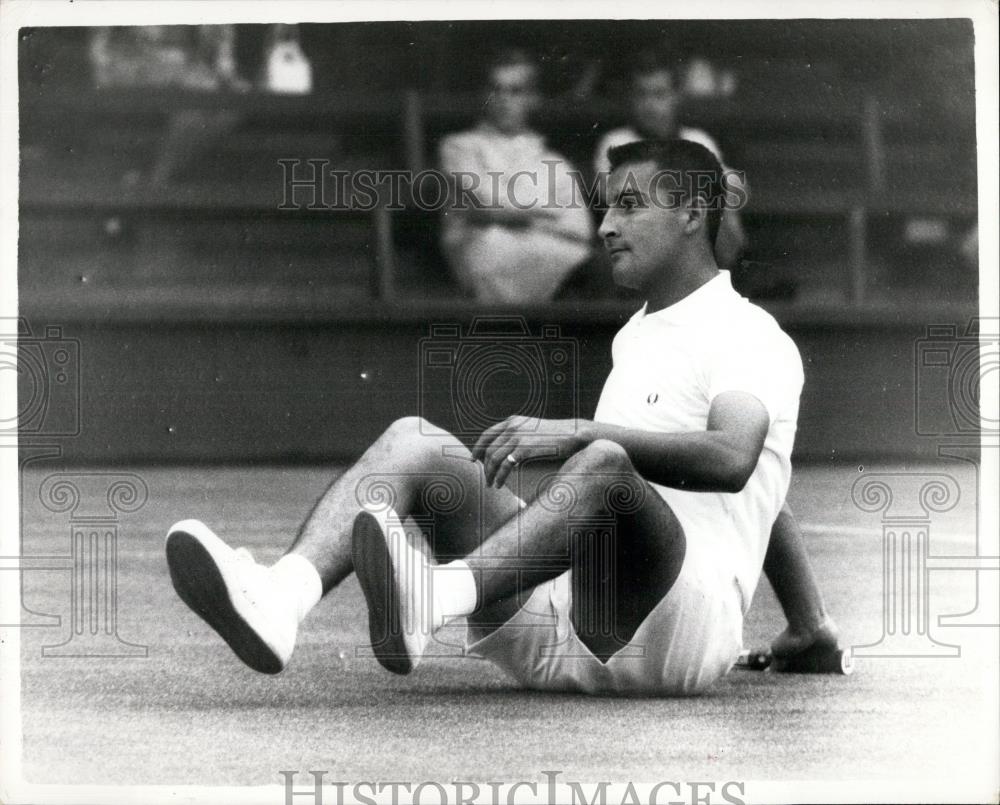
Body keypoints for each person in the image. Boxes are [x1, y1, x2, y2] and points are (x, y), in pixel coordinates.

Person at [166, 139, 838, 696]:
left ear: (693, 214)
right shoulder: (638, 334)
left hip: (675, 638)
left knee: (603, 462)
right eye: (606, 208)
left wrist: (580, 429)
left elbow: (734, 460)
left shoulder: (749, 335)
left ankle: (430, 599)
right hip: (565, 629)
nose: (605, 226)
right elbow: (768, 499)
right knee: (414, 441)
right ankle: (283, 599)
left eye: (629, 206)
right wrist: (808, 628)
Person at [438, 49, 594, 303]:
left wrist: (515, 217)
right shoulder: (459, 147)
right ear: (484, 95)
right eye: (496, 89)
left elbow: (580, 230)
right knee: (492, 244)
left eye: (515, 91)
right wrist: (544, 215)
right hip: (485, 254)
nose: (503, 99)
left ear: (532, 98)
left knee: (586, 262)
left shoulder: (553, 162)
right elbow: (488, 205)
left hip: (554, 262)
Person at [593, 52, 747, 271]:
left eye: (659, 94)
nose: (649, 105)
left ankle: (729, 277)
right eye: (641, 94)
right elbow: (618, 200)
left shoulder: (698, 140)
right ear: (631, 98)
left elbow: (728, 189)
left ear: (676, 96)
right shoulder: (616, 141)